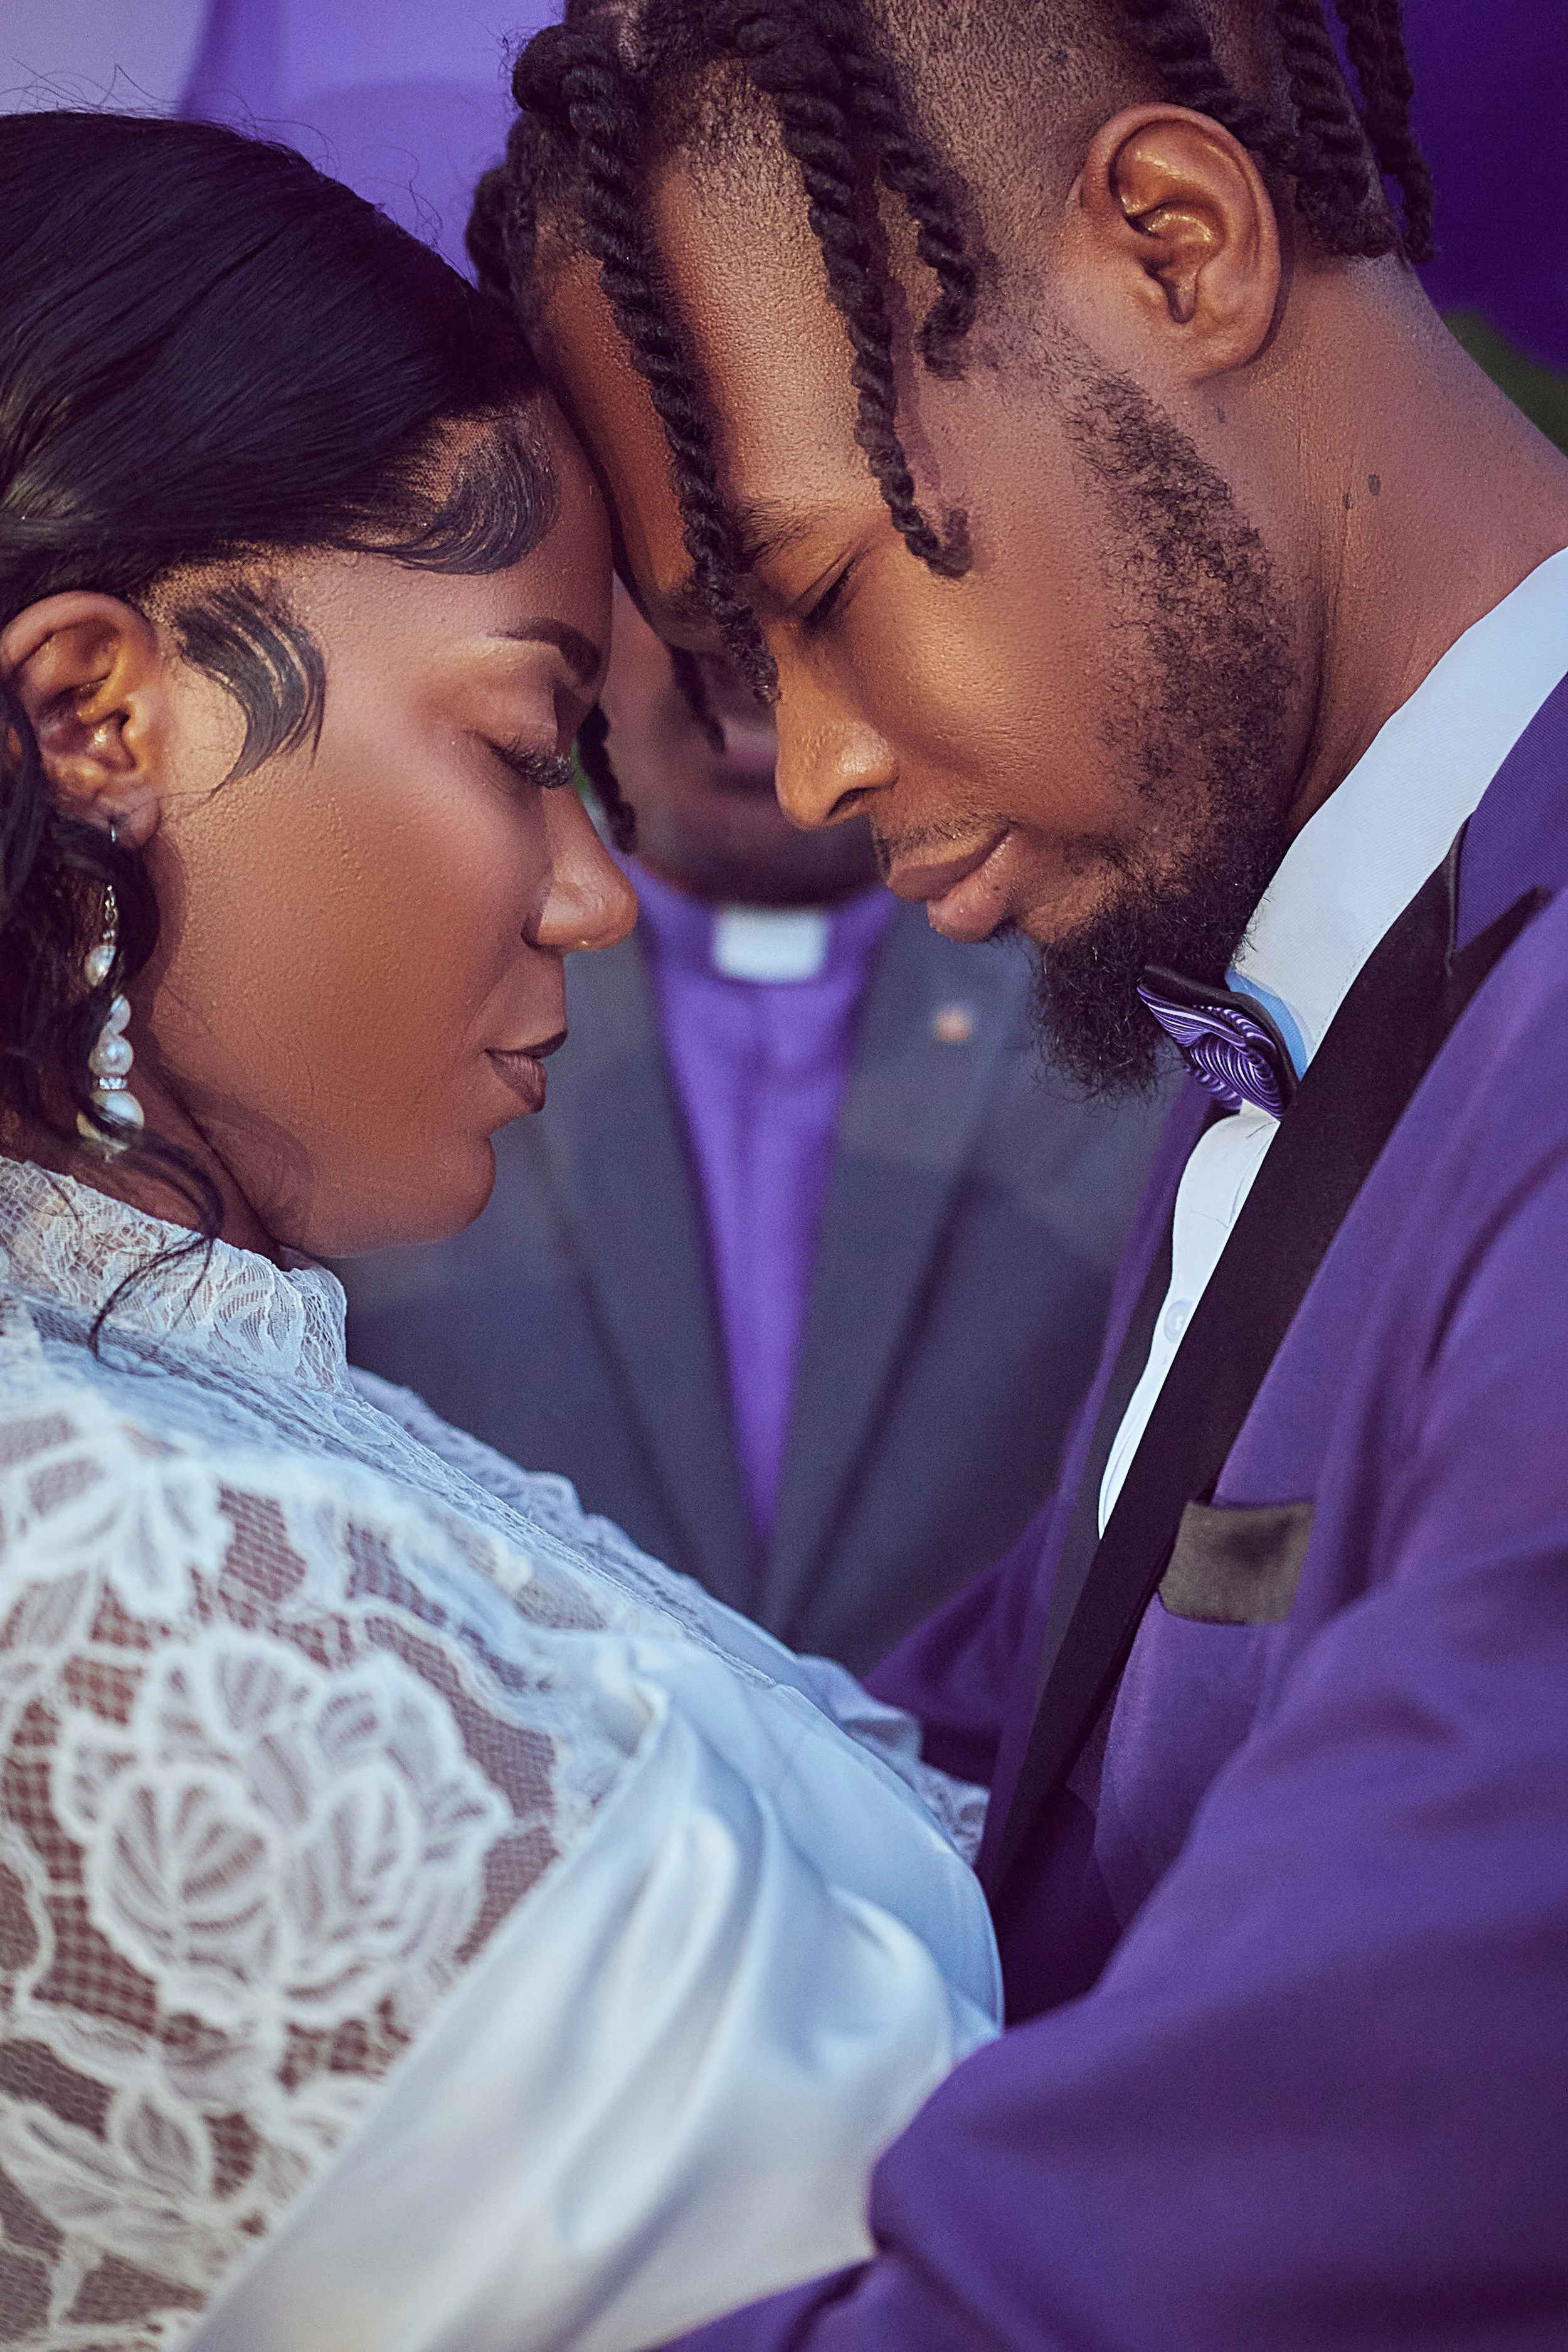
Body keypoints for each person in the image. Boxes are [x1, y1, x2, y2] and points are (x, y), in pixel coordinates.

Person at [479, 1, 1568, 2343]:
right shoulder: (1291, 1027)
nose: (821, 762)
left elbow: (1376, 2144)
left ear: (1178, 245)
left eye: (825, 591)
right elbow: (939, 1771)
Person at [0, 110, 1004, 2352]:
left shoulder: (144, 1392)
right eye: (534, 741)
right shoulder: (68, 1568)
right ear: (100, 715)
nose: (591, 894)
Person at [341, 578, 1168, 1668]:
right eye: (669, 594)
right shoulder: (378, 1007)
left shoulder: (1131, 1020)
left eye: (809, 587)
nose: (733, 651)